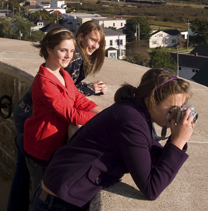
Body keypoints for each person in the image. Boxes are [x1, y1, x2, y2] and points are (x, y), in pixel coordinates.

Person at [31, 68, 196, 211]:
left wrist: (177, 139)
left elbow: (154, 157)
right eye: (174, 108)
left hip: (60, 191)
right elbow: (152, 188)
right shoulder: (131, 122)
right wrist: (178, 141)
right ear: (153, 100)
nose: (177, 114)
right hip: (58, 201)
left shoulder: (135, 113)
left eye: (181, 108)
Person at [8, 21, 106, 211]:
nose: (69, 56)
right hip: (40, 149)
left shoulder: (63, 74)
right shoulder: (45, 81)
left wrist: (103, 111)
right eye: (63, 51)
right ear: (49, 49)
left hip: (50, 146)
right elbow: (69, 113)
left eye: (71, 51)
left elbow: (78, 99)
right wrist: (99, 119)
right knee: (41, 197)